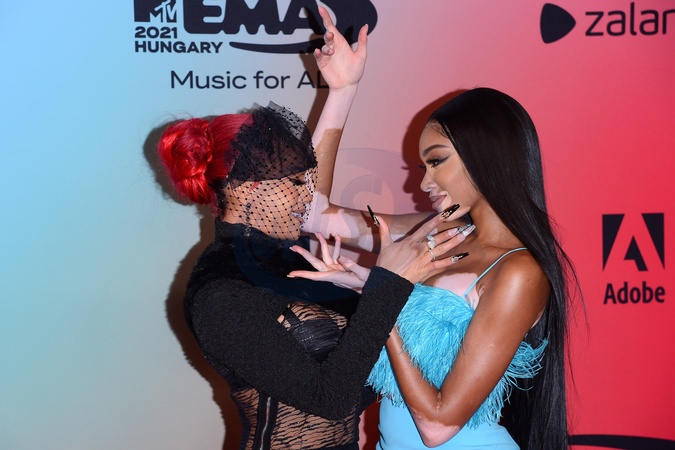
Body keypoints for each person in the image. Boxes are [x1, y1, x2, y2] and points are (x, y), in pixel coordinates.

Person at [157, 7, 468, 450]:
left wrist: (342, 90)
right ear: (246, 190)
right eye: (293, 185)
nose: (307, 197)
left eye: (305, 183)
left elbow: (361, 372)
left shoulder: (290, 259)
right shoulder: (219, 293)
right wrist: (387, 286)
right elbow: (330, 398)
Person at [291, 88, 577, 449]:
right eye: (423, 167)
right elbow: (311, 214)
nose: (424, 183)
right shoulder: (440, 234)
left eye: (437, 161)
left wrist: (381, 300)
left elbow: (438, 426)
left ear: (486, 155)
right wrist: (342, 89)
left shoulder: (519, 272)